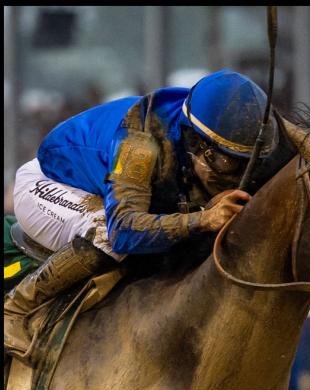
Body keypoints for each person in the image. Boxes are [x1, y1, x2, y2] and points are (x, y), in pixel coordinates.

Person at [5, 70, 274, 361]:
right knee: (105, 232)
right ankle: (15, 308)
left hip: (102, 187)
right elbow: (124, 231)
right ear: (197, 143)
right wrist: (203, 218)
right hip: (49, 184)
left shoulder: (207, 132)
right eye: (227, 164)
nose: (236, 177)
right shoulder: (140, 146)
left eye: (247, 164)